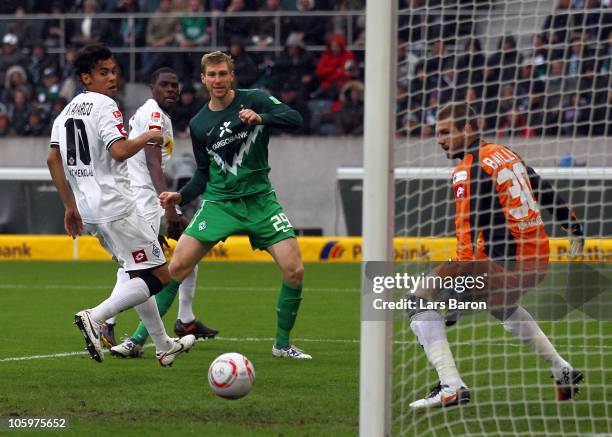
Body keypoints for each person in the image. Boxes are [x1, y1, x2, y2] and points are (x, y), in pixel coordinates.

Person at [407, 102, 584, 409]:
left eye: (446, 132)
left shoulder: (467, 171)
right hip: (537, 260)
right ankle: (562, 369)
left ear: (469, 129)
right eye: (438, 133)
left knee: (417, 300)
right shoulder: (505, 153)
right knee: (500, 306)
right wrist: (573, 224)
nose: (440, 139)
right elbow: (542, 188)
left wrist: (458, 273)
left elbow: (465, 238)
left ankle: (451, 385)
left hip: (506, 263)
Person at [46, 44, 195, 366]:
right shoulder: (105, 105)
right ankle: (95, 316)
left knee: (134, 272)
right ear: (86, 77)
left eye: (114, 71)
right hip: (118, 206)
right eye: (104, 72)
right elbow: (120, 151)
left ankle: (163, 344)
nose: (112, 78)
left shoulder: (66, 111)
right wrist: (147, 136)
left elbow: (53, 158)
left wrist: (69, 206)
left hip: (89, 210)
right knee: (159, 276)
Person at [159, 51, 311, 359]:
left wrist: (262, 118)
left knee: (294, 271)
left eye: (223, 74)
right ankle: (138, 339)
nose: (217, 80)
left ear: (232, 76)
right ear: (203, 79)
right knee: (176, 267)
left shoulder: (254, 99)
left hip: (260, 202)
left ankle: (282, 345)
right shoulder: (199, 123)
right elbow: (203, 173)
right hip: (219, 203)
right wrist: (181, 197)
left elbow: (296, 119)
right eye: (212, 75)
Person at [105, 67, 218, 358]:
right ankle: (107, 320)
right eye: (165, 85)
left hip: (144, 196)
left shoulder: (152, 113)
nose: (171, 89)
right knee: (139, 266)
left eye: (175, 85)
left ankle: (186, 319)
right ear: (152, 87)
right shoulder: (154, 113)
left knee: (186, 251)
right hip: (146, 199)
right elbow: (153, 161)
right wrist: (168, 205)